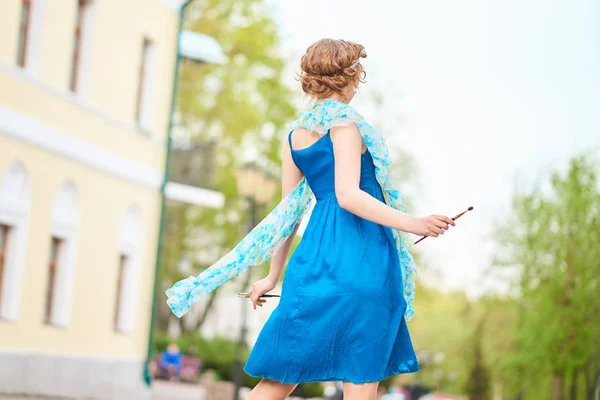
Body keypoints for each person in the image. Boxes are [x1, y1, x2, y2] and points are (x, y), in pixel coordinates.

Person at [165, 38, 454, 400]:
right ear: (349, 78)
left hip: (314, 259)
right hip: (362, 262)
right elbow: (348, 195)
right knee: (360, 370)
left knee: (279, 378)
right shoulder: (347, 126)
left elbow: (288, 215)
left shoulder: (294, 137)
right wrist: (415, 223)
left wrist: (273, 276)